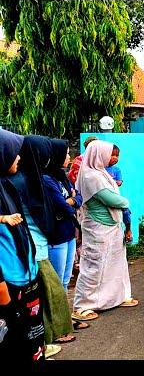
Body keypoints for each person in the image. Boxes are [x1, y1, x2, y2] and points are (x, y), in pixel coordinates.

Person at [10, 135, 76, 351]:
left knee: (50, 290)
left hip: (37, 245)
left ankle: (45, 339)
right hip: (32, 249)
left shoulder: (33, 177)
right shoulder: (23, 180)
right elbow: (55, 208)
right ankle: (44, 340)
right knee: (46, 292)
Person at [72, 140, 138, 322]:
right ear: (98, 154)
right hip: (98, 228)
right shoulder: (90, 176)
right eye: (109, 154)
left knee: (115, 263)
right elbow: (112, 199)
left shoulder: (101, 173)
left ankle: (115, 298)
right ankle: (82, 305)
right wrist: (125, 202)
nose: (111, 158)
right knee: (95, 266)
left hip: (112, 226)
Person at [0, 129, 46, 364]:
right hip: (8, 287)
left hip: (27, 276)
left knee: (33, 339)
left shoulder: (5, 186)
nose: (18, 158)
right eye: (13, 153)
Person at [42, 139, 84, 294]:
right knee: (57, 281)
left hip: (69, 232)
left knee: (66, 278)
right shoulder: (47, 179)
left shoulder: (62, 177)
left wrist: (72, 200)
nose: (69, 158)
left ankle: (66, 316)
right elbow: (62, 206)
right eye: (66, 154)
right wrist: (71, 201)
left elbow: (79, 197)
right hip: (57, 235)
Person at [105, 144, 132, 243]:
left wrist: (114, 182)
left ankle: (128, 230)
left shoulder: (116, 169)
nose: (115, 158)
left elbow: (120, 181)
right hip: (105, 197)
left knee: (126, 211)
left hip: (115, 195)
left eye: (117, 156)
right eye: (113, 155)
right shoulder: (101, 168)